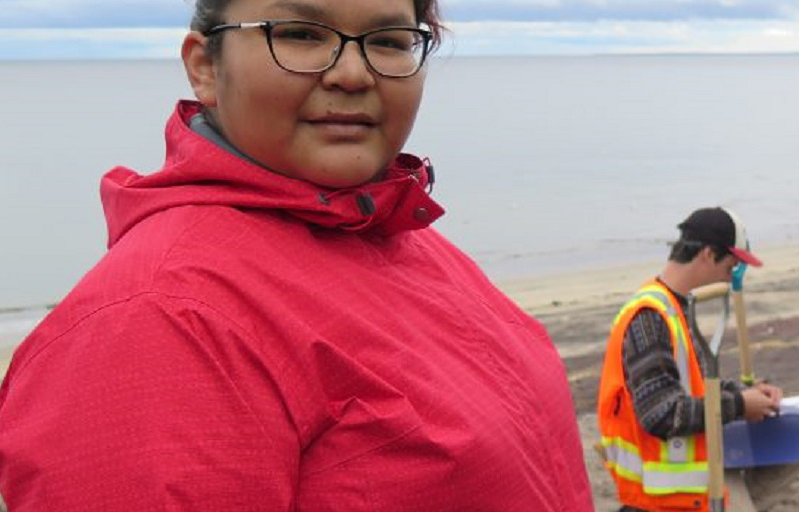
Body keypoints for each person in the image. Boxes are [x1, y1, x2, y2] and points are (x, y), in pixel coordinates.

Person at [0, 0, 593, 510]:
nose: (354, 73)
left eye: (388, 41)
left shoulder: (394, 234)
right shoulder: (160, 321)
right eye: (301, 34)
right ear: (204, 67)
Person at [596, 206, 799, 512]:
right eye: (732, 265)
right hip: (670, 485)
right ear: (708, 254)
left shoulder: (677, 306)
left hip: (709, 448)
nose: (732, 275)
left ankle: (740, 499)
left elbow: (692, 383)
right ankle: (733, 502)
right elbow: (661, 415)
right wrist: (739, 406)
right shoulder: (650, 317)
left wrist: (742, 392)